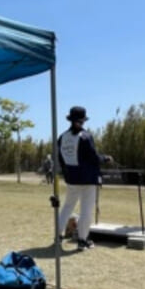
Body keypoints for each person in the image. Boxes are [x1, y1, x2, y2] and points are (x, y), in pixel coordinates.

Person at [56, 106, 111, 250]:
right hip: (87, 179)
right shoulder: (86, 137)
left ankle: (58, 236)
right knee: (86, 210)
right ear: (83, 120)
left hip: (72, 179)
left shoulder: (62, 137)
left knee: (67, 207)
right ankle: (82, 240)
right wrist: (105, 158)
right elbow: (93, 157)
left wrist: (67, 173)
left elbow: (61, 159)